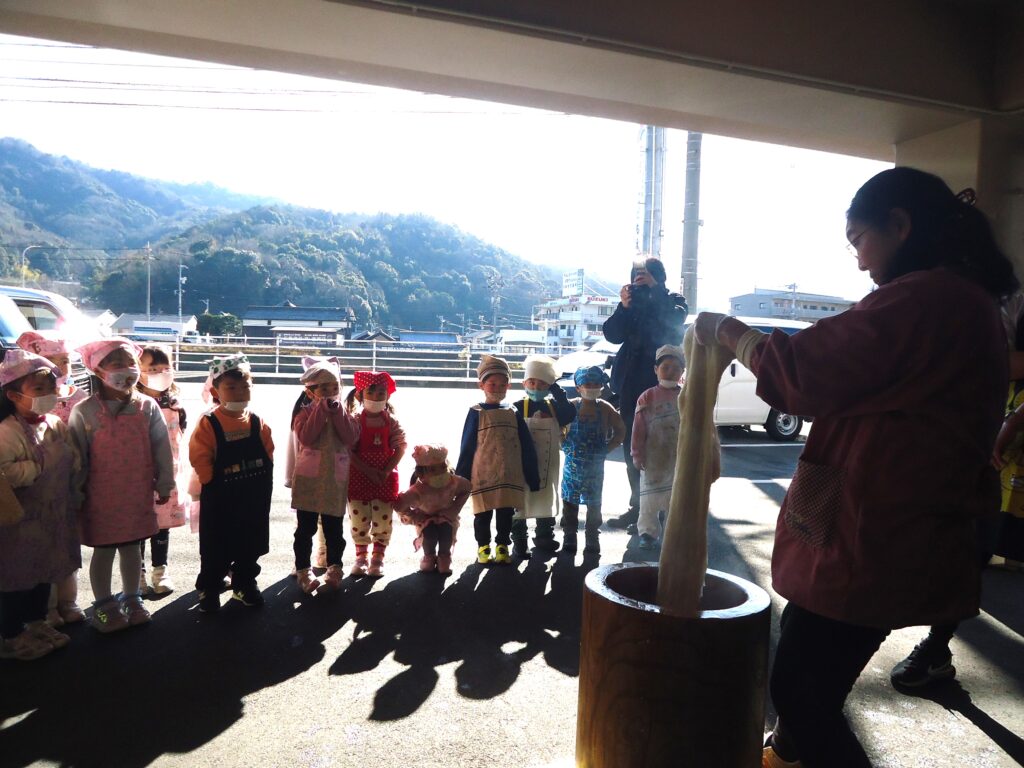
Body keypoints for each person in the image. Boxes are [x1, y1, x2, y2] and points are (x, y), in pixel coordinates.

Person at [693, 167, 1018, 768]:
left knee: (801, 691)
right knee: (811, 669)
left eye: (859, 240)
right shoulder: (962, 299)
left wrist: (728, 331)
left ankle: (796, 748)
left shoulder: (927, 298)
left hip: (877, 533)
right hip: (887, 525)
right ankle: (787, 752)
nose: (861, 261)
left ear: (899, 225)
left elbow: (804, 372)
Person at [70, 338, 174, 632]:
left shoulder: (146, 406)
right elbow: (76, 456)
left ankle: (132, 599)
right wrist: (75, 492)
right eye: (118, 364)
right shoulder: (85, 410)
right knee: (103, 550)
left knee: (131, 548)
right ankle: (104, 606)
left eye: (131, 364)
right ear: (98, 370)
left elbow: (161, 448)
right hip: (98, 496)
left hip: (136, 493)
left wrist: (164, 482)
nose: (127, 370)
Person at [0, 351, 81, 660]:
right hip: (20, 522)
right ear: (13, 395)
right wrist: (35, 468)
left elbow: (71, 456)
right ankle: (10, 635)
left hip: (52, 515)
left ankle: (37, 622)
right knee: (16, 578)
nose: (48, 394)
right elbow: (4, 472)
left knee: (44, 572)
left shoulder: (54, 423)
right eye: (38, 389)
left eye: (51, 387)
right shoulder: (6, 431)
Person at [603, 257, 688, 533]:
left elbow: (673, 325)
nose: (640, 277)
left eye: (646, 273)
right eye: (636, 273)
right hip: (630, 385)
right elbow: (612, 334)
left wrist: (655, 292)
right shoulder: (631, 304)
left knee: (664, 445)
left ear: (659, 276)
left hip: (662, 384)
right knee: (633, 447)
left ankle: (662, 508)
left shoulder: (673, 300)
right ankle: (639, 507)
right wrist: (624, 307)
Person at [189, 354, 274, 613]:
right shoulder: (209, 422)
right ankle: (210, 587)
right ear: (216, 391)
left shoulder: (257, 420)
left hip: (254, 496)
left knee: (250, 544)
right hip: (221, 498)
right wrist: (208, 479)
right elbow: (199, 454)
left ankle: (244, 584)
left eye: (245, 386)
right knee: (216, 546)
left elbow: (268, 450)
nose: (239, 392)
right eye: (231, 387)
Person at [15, 330, 88, 626]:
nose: (60, 368)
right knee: (38, 552)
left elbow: (80, 448)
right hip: (31, 496)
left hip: (64, 491)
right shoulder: (15, 416)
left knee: (65, 548)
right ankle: (45, 609)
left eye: (65, 361)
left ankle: (67, 601)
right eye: (52, 361)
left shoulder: (76, 400)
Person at [455, 355, 540, 565]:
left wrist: (532, 475)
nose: (497, 388)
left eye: (502, 384)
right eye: (492, 383)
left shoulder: (513, 411)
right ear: (481, 385)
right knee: (482, 513)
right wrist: (461, 478)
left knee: (505, 513)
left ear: (509, 386)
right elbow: (467, 446)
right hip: (482, 474)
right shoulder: (475, 412)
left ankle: (503, 545)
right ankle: (483, 546)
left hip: (510, 473)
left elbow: (526, 445)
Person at [290, 356, 359, 593]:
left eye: (334, 387)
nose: (331, 393)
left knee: (334, 529)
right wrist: (321, 410)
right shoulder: (303, 414)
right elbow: (307, 437)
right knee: (305, 529)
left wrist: (337, 413)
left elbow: (350, 437)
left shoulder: (345, 412)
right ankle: (303, 569)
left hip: (334, 481)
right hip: (308, 480)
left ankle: (335, 567)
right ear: (310, 392)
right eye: (324, 388)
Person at [510, 354, 576, 559]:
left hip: (547, 464)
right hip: (521, 463)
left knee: (545, 498)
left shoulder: (554, 407)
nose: (536, 387)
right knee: (519, 502)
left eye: (542, 384)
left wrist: (557, 390)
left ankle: (544, 536)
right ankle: (519, 540)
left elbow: (569, 414)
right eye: (532, 382)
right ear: (524, 383)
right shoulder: (517, 406)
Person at [136, 344, 189, 596]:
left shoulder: (175, 403)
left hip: (168, 472)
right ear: (138, 371)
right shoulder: (133, 404)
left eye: (165, 367)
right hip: (137, 475)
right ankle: (137, 574)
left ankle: (160, 571)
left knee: (162, 525)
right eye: (152, 368)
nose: (160, 373)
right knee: (137, 526)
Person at [346, 370, 406, 578]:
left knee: (383, 520)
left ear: (388, 396)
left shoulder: (392, 421)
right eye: (371, 392)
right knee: (358, 520)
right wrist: (368, 471)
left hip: (384, 479)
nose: (376, 397)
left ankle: (378, 559)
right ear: (360, 395)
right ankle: (361, 558)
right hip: (358, 477)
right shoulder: (354, 421)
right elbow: (348, 450)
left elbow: (401, 446)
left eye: (381, 393)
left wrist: (386, 470)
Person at [560, 365, 625, 554]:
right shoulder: (571, 406)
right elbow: (557, 426)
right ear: (578, 387)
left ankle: (592, 536)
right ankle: (569, 535)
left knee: (594, 503)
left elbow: (620, 430)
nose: (592, 387)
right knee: (569, 503)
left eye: (596, 384)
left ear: (602, 386)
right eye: (587, 384)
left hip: (595, 468)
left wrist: (608, 448)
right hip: (572, 466)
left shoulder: (605, 408)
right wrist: (563, 443)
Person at [631, 344, 686, 549]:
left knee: (677, 499)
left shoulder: (687, 396)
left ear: (683, 371)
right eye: (665, 367)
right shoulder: (647, 397)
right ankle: (648, 533)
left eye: (676, 368)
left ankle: (674, 534)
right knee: (649, 499)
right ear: (656, 369)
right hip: (653, 457)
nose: (670, 372)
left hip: (679, 457)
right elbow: (638, 429)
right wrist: (637, 454)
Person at [394, 444, 471, 575]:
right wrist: (413, 516)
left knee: (446, 536)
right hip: (426, 520)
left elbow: (467, 488)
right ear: (421, 473)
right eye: (433, 469)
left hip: (447, 518)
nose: (440, 472)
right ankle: (429, 557)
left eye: (443, 467)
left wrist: (455, 508)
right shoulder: (418, 490)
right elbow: (399, 504)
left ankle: (444, 559)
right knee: (429, 537)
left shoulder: (453, 482)